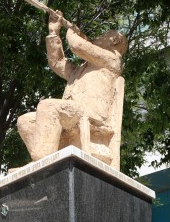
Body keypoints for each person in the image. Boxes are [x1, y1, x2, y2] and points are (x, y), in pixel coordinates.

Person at [17, 11, 128, 163]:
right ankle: (45, 157)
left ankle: (43, 162)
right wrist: (54, 32)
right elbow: (57, 62)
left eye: (102, 36)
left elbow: (77, 46)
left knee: (48, 106)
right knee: (25, 121)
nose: (97, 38)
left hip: (90, 114)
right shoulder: (81, 70)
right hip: (72, 112)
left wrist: (72, 30)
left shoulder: (113, 59)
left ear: (114, 41)